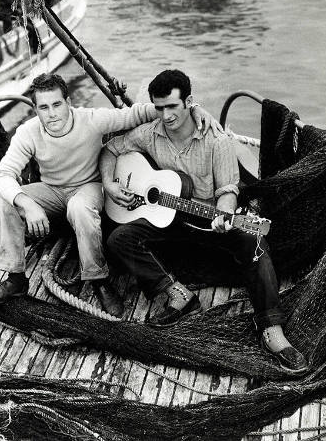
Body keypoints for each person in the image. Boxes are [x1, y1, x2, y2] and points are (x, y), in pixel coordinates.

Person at [100, 69, 308, 373]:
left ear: (189, 102)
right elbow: (110, 149)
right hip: (169, 218)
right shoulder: (149, 133)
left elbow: (227, 191)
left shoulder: (218, 141)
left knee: (255, 241)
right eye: (159, 108)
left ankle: (271, 329)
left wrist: (224, 216)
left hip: (208, 219)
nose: (166, 115)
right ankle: (178, 294)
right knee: (118, 239)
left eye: (172, 106)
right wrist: (109, 184)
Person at [0, 72, 221, 318]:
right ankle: (16, 279)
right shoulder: (27, 132)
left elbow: (137, 113)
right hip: (51, 189)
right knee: (7, 200)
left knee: (79, 207)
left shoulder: (92, 119)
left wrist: (194, 109)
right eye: (43, 107)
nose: (51, 113)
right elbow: (2, 175)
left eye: (56, 104)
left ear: (68, 102)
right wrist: (25, 203)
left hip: (88, 186)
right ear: (35, 109)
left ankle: (98, 279)